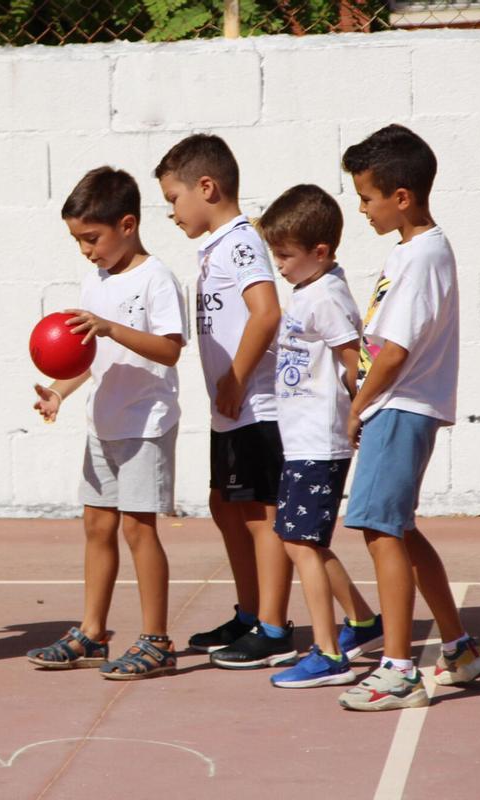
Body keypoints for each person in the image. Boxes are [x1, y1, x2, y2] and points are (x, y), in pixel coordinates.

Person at [335, 125, 480, 711]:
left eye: (368, 197)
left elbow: (395, 349)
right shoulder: (412, 250)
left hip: (398, 405)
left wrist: (357, 405)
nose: (361, 207)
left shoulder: (422, 255)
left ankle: (398, 668)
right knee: (397, 527)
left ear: (402, 196)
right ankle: (460, 648)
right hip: (399, 403)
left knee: (379, 530)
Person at [26, 166, 188, 679]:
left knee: (140, 531)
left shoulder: (156, 278)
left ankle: (156, 640)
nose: (86, 251)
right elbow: (88, 360)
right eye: (77, 240)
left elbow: (170, 348)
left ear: (127, 224)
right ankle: (92, 633)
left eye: (91, 238)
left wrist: (112, 328)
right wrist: (60, 391)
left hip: (144, 424)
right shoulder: (93, 280)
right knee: (97, 525)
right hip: (105, 422)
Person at [155, 134, 296, 669]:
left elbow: (266, 313)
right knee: (225, 505)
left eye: (173, 198)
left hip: (256, 405)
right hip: (230, 411)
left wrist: (236, 379)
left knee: (261, 515)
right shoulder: (216, 246)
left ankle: (274, 628)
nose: (171, 211)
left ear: (206, 187)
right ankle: (250, 611)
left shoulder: (241, 242)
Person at [254, 184, 384, 689]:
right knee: (297, 539)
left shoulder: (326, 296)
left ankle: (329, 654)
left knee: (300, 543)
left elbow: (357, 364)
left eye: (285, 255)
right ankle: (362, 621)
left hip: (319, 442)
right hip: (301, 439)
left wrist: (358, 415)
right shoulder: (308, 290)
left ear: (320, 252)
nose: (280, 265)